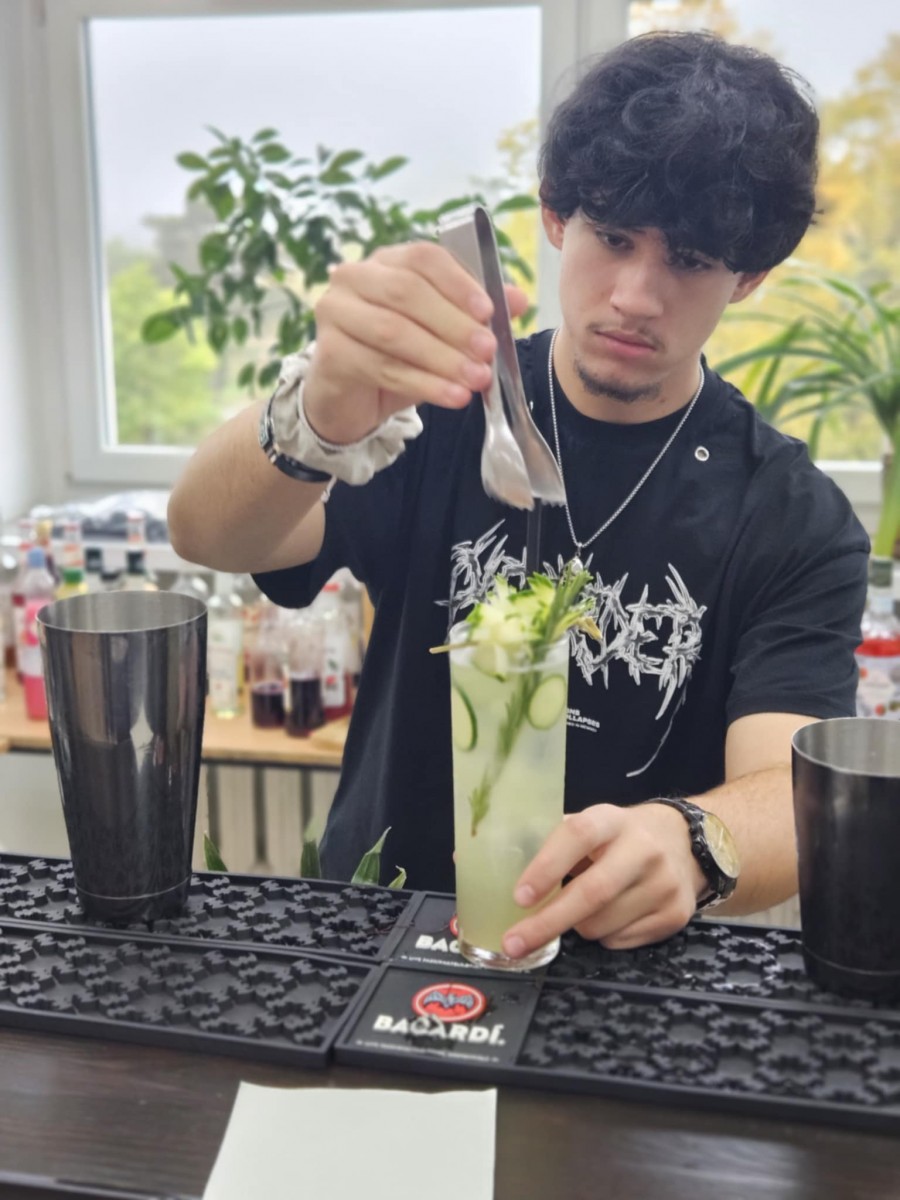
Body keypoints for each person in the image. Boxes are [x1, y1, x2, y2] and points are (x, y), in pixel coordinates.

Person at [168, 31, 868, 960]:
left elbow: (790, 790)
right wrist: (317, 412)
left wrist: (696, 841)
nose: (636, 297)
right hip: (383, 933)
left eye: (691, 260)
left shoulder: (791, 515)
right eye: (613, 238)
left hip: (625, 972)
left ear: (749, 277)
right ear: (554, 217)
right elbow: (209, 534)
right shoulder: (438, 409)